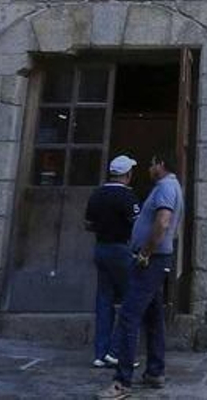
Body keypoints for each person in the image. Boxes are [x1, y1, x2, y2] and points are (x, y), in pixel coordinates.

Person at [105, 153, 183, 397]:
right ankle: (155, 371)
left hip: (152, 260)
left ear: (160, 163)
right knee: (154, 316)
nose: (148, 169)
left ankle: (122, 381)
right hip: (156, 260)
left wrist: (146, 253)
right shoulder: (167, 187)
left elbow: (162, 222)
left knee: (129, 315)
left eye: (150, 164)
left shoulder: (165, 188)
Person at [87, 154, 140, 368]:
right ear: (127, 175)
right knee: (131, 299)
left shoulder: (97, 195)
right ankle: (117, 350)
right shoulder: (127, 197)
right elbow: (137, 226)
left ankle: (100, 353)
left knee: (104, 300)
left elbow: (88, 223)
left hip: (101, 247)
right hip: (121, 248)